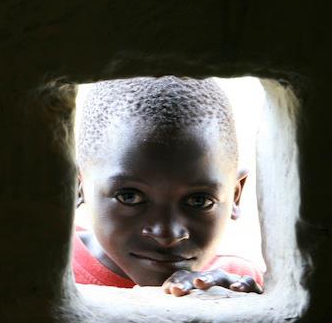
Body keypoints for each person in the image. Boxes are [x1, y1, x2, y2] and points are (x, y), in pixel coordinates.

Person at [73, 76, 263, 296]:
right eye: (130, 197)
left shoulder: (237, 283)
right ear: (79, 185)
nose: (167, 233)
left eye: (198, 200)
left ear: (235, 195)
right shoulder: (45, 269)